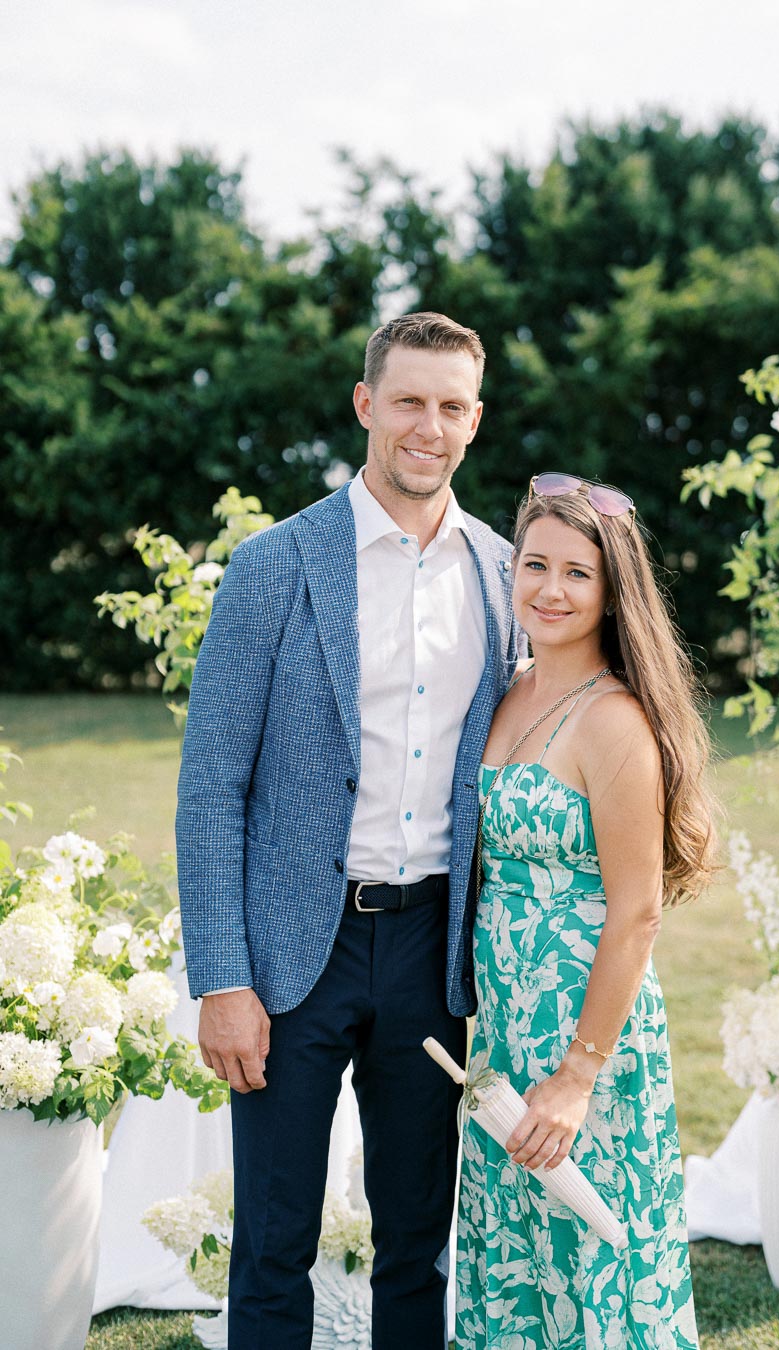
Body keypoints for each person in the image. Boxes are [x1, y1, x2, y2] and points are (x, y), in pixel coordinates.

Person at [175, 312, 522, 1350]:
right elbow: (209, 788)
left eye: (451, 406)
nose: (430, 425)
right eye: (409, 400)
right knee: (275, 1241)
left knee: (418, 1239)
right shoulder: (275, 567)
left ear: (474, 421)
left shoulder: (504, 579)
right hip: (292, 958)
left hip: (432, 955)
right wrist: (222, 980)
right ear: (368, 405)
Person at [454, 473, 717, 1349]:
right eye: (535, 565)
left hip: (585, 1032)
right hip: (504, 1023)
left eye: (578, 573)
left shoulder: (615, 723)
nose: (551, 590)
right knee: (517, 1253)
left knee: (591, 1258)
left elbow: (638, 911)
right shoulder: (509, 691)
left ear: (612, 594)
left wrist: (576, 1077)